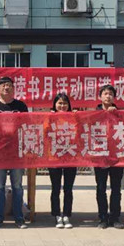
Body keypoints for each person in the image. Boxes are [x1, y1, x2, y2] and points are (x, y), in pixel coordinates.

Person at [0, 76, 29, 229]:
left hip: (16, 153)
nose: (6, 87)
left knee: (17, 186)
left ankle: (19, 218)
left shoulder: (21, 106)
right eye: (3, 85)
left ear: (13, 88)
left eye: (9, 85)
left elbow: (27, 126)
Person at [94, 85, 124, 229]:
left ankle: (115, 217)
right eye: (105, 94)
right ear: (100, 97)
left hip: (116, 156)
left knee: (116, 188)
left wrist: (116, 114)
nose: (108, 96)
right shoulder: (93, 114)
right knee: (101, 188)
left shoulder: (120, 113)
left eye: (111, 94)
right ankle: (102, 218)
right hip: (100, 156)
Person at [48, 93, 77, 229]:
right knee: (55, 188)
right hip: (54, 157)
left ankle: (66, 214)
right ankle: (56, 214)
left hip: (70, 156)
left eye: (65, 103)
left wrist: (77, 117)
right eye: (59, 103)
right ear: (54, 105)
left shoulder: (73, 117)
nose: (62, 106)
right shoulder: (50, 117)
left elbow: (80, 131)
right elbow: (45, 132)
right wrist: (50, 118)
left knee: (68, 188)